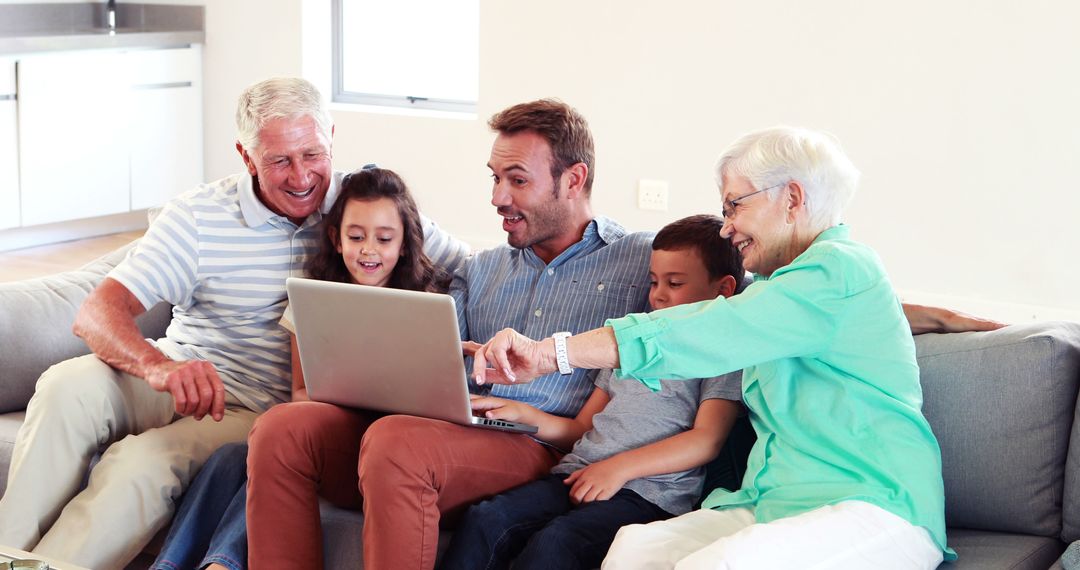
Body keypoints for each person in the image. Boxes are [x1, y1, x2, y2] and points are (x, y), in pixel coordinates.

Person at [472, 126, 1004, 569]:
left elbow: (703, 329)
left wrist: (550, 352)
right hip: (772, 503)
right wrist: (934, 315)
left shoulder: (840, 268)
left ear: (792, 198)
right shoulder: (781, 290)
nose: (727, 228)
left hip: (874, 505)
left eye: (734, 206)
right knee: (632, 551)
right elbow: (787, 314)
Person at [0, 77, 466, 570]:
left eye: (313, 154)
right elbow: (98, 311)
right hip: (173, 371)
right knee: (65, 385)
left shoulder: (362, 210)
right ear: (246, 157)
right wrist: (159, 368)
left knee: (138, 466)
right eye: (280, 161)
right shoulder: (198, 216)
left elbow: (468, 269)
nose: (302, 175)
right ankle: (6, 550)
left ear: (331, 136)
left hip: (252, 409)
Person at [245, 99, 658, 569]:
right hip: (451, 431)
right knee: (281, 430)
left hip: (542, 445)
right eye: (495, 178)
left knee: (398, 443)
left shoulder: (644, 262)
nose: (498, 197)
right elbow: (423, 362)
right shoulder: (478, 270)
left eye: (517, 180)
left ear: (574, 179)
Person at [150, 166, 449, 570]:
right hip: (328, 437)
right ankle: (178, 565)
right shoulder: (311, 301)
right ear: (336, 238)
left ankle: (221, 563)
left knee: (270, 450)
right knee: (230, 458)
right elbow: (301, 394)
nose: (369, 250)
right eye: (356, 237)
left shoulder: (429, 305)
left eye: (384, 238)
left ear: (406, 242)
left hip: (390, 451)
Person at [439, 214, 746, 570]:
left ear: (723, 289)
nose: (658, 296)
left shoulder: (721, 354)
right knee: (486, 519)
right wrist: (525, 415)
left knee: (557, 542)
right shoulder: (627, 343)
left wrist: (618, 469)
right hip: (580, 472)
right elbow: (581, 429)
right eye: (653, 281)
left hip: (647, 494)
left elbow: (707, 440)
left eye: (674, 283)